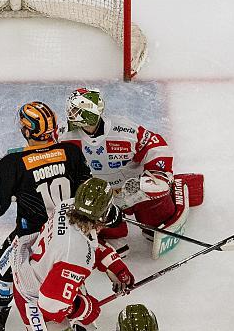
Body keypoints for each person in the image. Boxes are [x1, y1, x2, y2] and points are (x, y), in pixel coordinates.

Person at [0, 101, 94, 331]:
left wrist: (3, 181)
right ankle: (75, 317)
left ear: (26, 131)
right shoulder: (71, 152)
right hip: (72, 231)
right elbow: (87, 189)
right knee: (69, 266)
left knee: (3, 262)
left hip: (34, 237)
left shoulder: (12, 163)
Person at [59, 88, 204, 258]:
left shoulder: (123, 130)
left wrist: (159, 173)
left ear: (90, 113)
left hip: (132, 188)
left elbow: (154, 145)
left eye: (76, 110)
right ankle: (112, 235)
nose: (71, 114)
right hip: (99, 194)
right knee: (87, 206)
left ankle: (156, 223)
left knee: (154, 189)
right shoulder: (64, 135)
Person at [10, 177, 135, 331]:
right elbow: (50, 305)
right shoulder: (76, 254)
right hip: (34, 297)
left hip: (40, 266)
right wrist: (84, 308)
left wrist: (113, 264)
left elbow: (87, 241)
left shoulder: (67, 204)